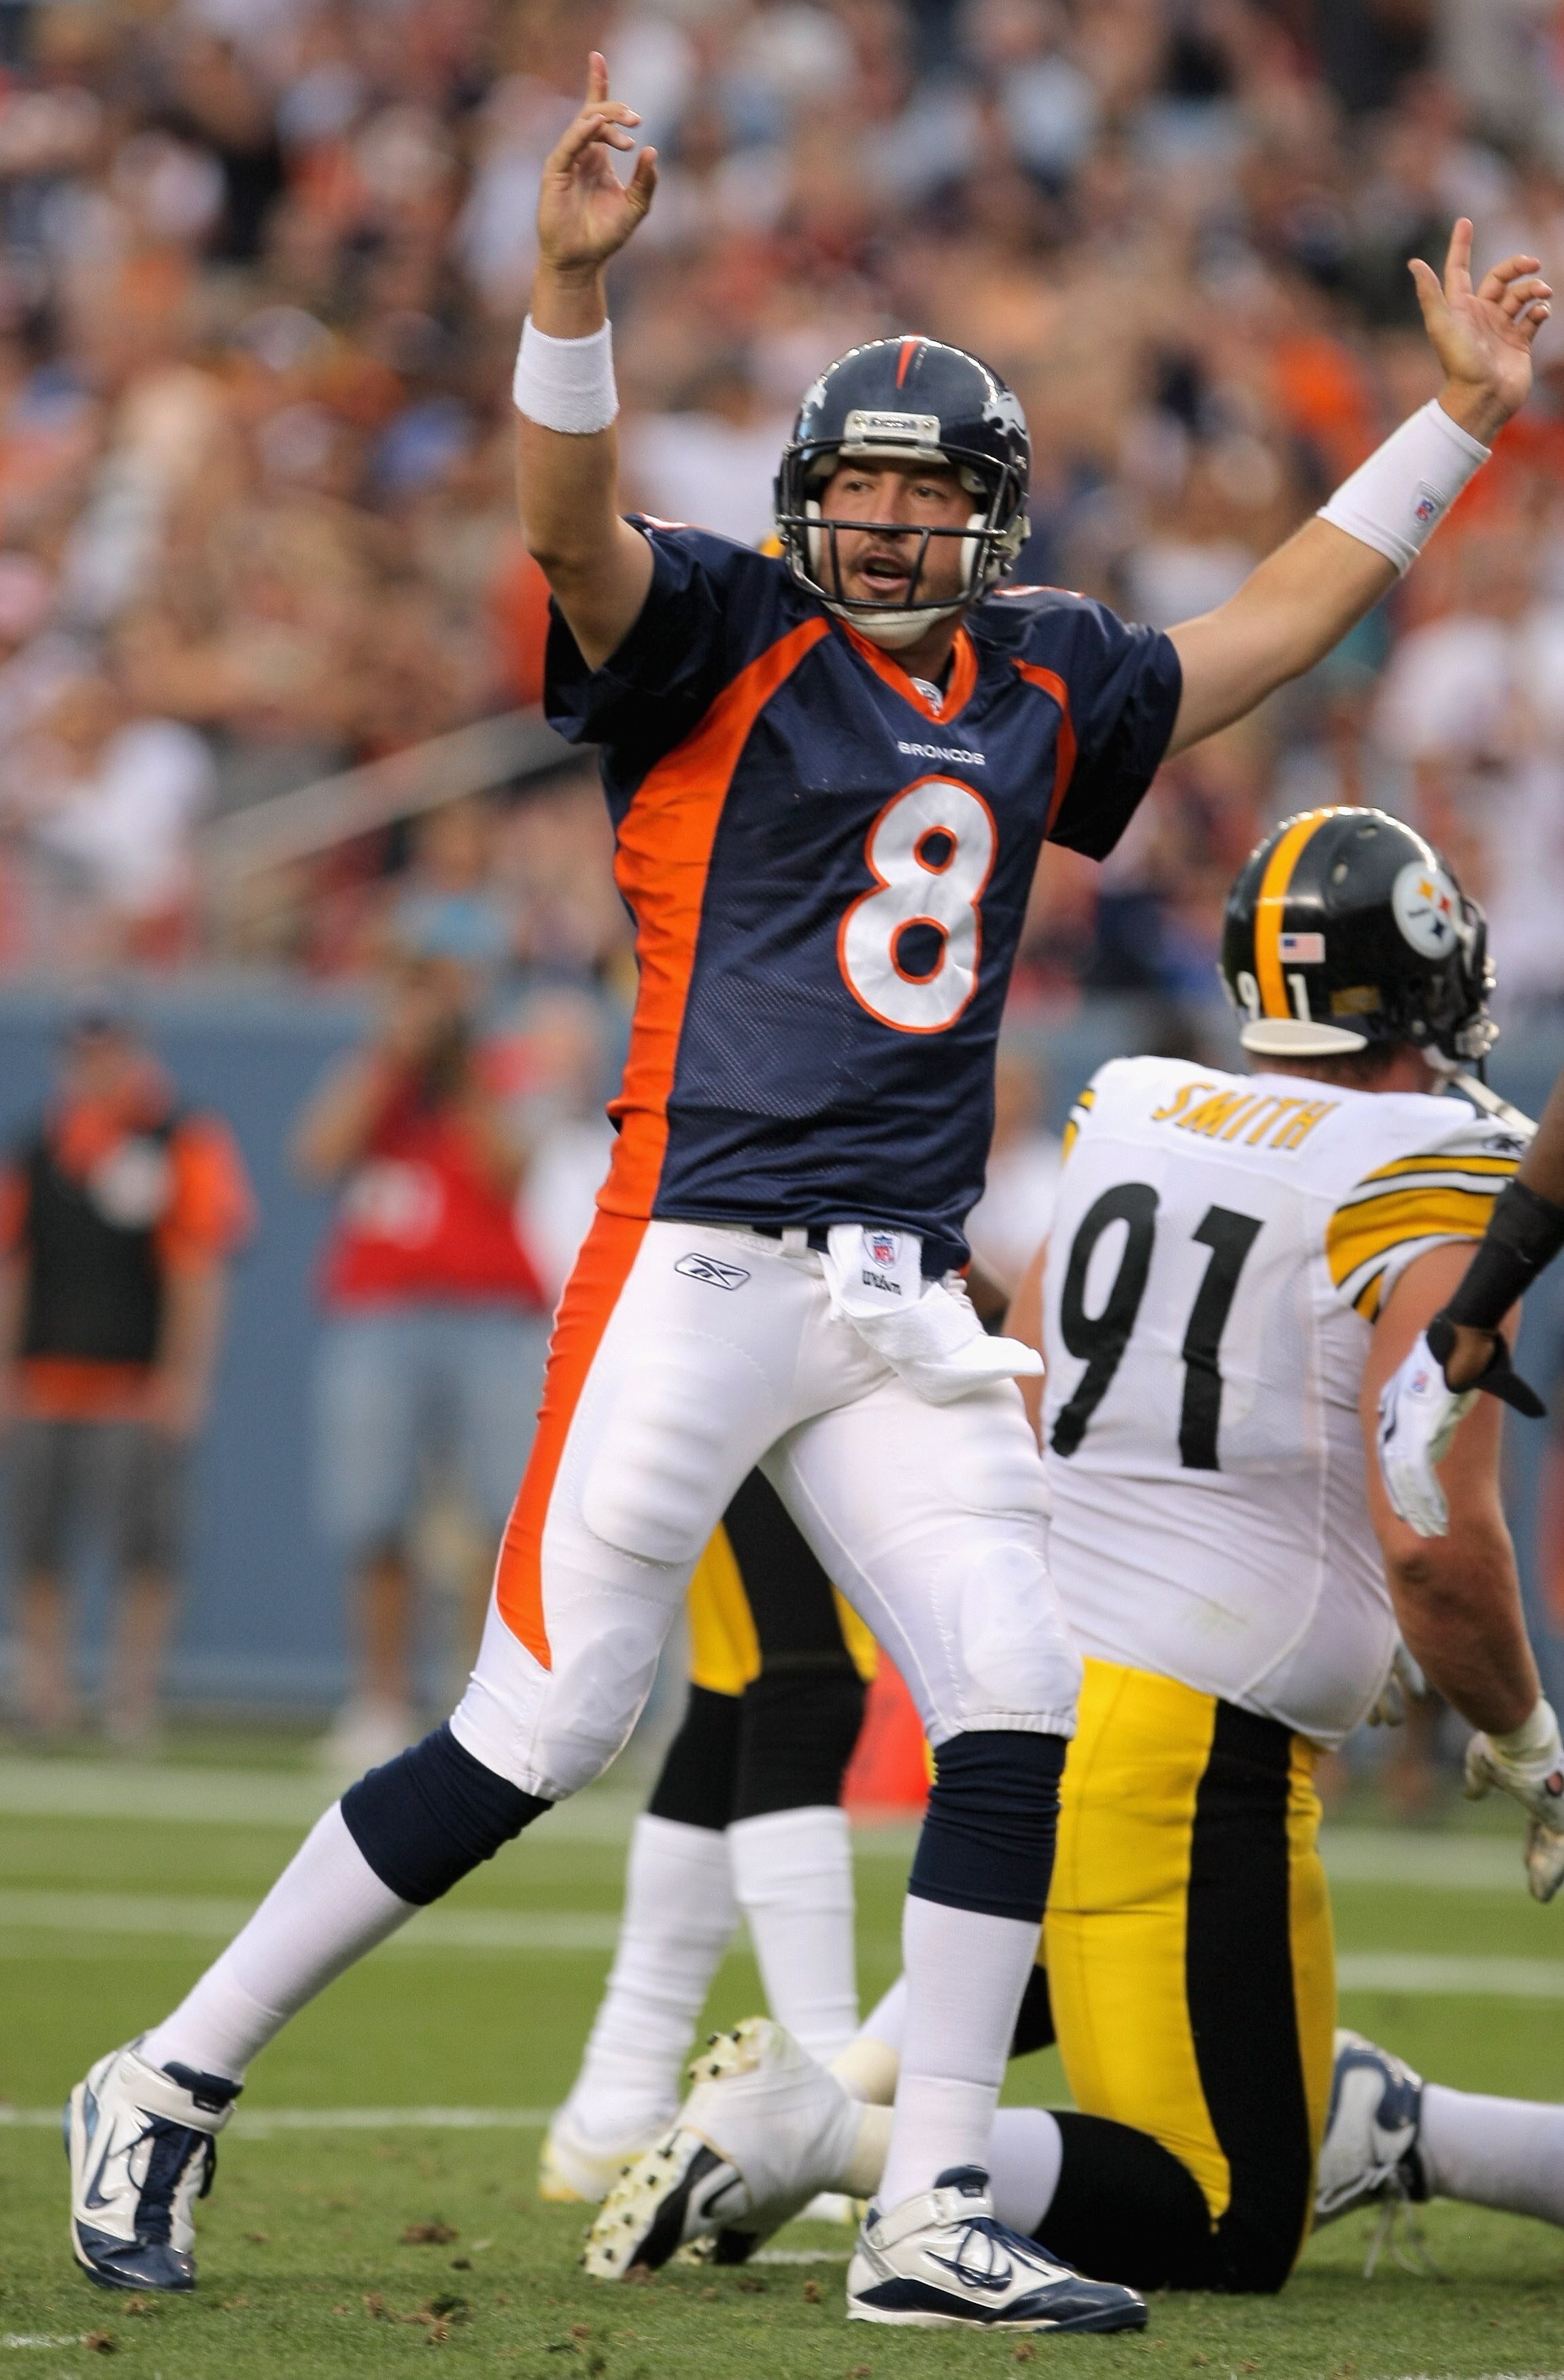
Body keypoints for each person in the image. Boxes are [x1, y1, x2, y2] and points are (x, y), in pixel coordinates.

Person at [63, 46, 1551, 2329]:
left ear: (992, 515)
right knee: (536, 1737)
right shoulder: (722, 636)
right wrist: (573, 289)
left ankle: (937, 2198)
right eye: (850, 488)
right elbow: (569, 530)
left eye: (921, 493)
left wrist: (1454, 424)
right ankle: (166, 2076)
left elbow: (1257, 638)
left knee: (1018, 1709)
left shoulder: (1046, 673)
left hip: (898, 1296)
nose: (882, 525)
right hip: (694, 1262)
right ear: (799, 499)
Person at [583, 811, 1564, 2293]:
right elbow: (1430, 1530)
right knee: (1230, 2213)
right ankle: (833, 2140)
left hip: (1036, 1677)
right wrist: (1525, 1737)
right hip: (1181, 1734)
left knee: (1108, 1966)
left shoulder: (1139, 1100)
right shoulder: (1437, 1157)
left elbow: (1031, 1376)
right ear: (1428, 981)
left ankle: (841, 2093)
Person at [541, 1468, 875, 2203]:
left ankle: (615, 2101)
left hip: (721, 1366)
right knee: (804, 1680)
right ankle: (827, 2121)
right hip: (781, 1367)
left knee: (737, 1686)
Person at [293, 953, 551, 1770]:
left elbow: (514, 1169)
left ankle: (478, 1698)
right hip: (382, 1309)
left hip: (486, 1313)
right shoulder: (371, 1074)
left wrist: (459, 1073)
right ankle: (379, 1698)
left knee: (494, 1516)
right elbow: (315, 1156)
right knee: (375, 1513)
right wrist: (393, 1061)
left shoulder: (496, 1070)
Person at [0, 998, 252, 1748]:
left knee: (143, 1544)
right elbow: (14, 1268)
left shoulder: (180, 1137)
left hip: (132, 1383)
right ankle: (48, 1690)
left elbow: (200, 1264)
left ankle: (130, 1693)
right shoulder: (40, 1147)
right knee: (40, 1539)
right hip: (48, 1376)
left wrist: (184, 1376)